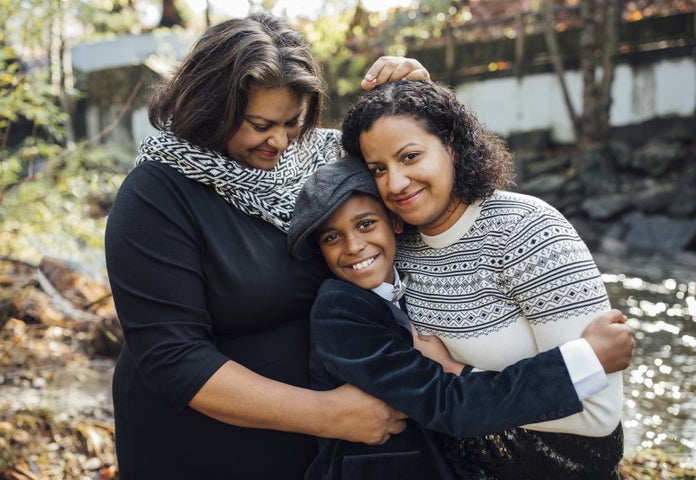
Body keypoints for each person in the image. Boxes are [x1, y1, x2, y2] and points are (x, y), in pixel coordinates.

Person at [104, 12, 630, 479]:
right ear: (209, 108)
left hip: (321, 450)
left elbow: (414, 161)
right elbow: (174, 358)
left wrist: (418, 93)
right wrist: (327, 413)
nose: (280, 142)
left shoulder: (319, 160)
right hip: (202, 451)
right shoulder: (157, 193)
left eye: (294, 123)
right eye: (261, 125)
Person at [341, 79, 627, 479]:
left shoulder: (528, 231)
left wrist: (454, 377)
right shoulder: (394, 249)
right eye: (378, 169)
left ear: (452, 145)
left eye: (409, 156)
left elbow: (597, 413)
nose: (395, 183)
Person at [286, 155, 632, 479]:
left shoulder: (406, 270)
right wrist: (583, 361)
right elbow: (444, 402)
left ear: (394, 222)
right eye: (332, 237)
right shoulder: (338, 312)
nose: (353, 246)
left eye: (365, 224)